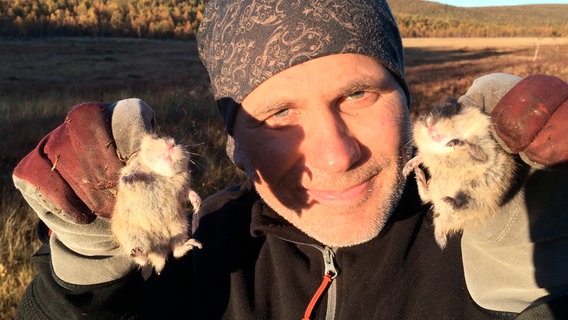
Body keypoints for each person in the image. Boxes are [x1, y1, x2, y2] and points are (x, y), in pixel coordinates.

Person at [11, 0, 568, 319]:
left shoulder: (483, 245)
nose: (335, 154)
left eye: (359, 94)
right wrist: (83, 272)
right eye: (279, 113)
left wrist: (543, 270)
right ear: (236, 144)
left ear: (406, 101)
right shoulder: (198, 260)